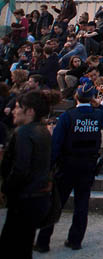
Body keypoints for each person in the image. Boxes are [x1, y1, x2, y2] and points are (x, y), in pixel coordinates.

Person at [34, 79, 103, 252]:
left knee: (56, 203)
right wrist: (97, 105)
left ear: (76, 96)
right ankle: (75, 240)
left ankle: (43, 242)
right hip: (88, 164)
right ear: (92, 97)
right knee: (82, 204)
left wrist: (49, 166)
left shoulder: (67, 116)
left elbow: (56, 144)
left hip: (67, 164)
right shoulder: (98, 115)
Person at [0, 90, 57, 256]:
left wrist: (6, 189)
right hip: (38, 197)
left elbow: (20, 169)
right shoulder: (43, 131)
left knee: (11, 246)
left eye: (18, 107)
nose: (14, 110)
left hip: (24, 198)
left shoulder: (24, 133)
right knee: (23, 245)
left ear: (30, 111)